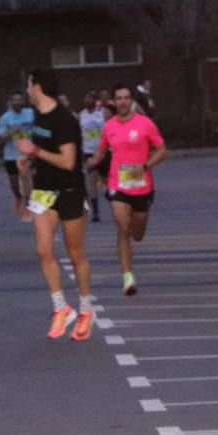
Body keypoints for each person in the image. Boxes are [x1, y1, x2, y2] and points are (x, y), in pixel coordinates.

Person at [16, 68, 95, 341]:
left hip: (70, 190)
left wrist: (35, 151)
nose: (26, 90)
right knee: (43, 250)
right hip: (43, 191)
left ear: (37, 86)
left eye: (28, 84)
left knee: (75, 253)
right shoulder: (38, 116)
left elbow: (68, 161)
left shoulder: (63, 119)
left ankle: (86, 310)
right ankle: (61, 307)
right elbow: (41, 152)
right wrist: (28, 162)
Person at [88, 83, 168, 296]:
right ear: (113, 102)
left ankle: (134, 235)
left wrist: (148, 164)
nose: (123, 102)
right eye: (119, 98)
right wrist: (92, 161)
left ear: (131, 101)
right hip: (118, 184)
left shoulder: (145, 124)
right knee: (123, 228)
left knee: (137, 233)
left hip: (141, 184)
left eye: (126, 98)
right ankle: (128, 277)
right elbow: (102, 150)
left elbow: (162, 149)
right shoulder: (109, 126)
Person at [0, 92, 36, 221]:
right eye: (14, 100)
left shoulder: (30, 114)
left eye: (19, 100)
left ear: (23, 101)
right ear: (10, 102)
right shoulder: (5, 118)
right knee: (14, 184)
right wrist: (12, 131)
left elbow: (39, 129)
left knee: (26, 177)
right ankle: (18, 197)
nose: (17, 102)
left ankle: (28, 206)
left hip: (27, 155)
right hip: (11, 155)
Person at [78, 91, 111, 221]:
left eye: (90, 98)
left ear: (95, 100)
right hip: (89, 152)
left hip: (104, 151)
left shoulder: (104, 113)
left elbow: (114, 127)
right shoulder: (81, 115)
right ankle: (95, 212)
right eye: (85, 98)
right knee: (91, 180)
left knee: (109, 178)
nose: (87, 100)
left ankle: (111, 193)